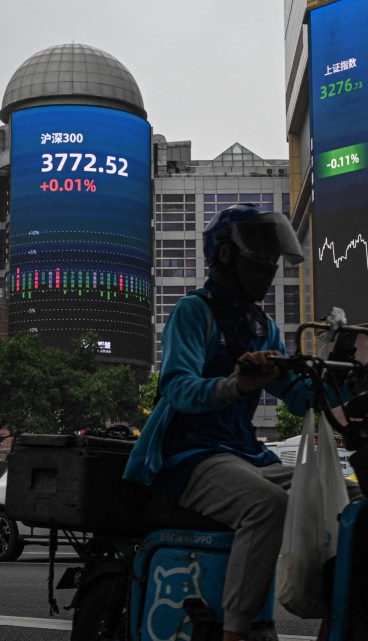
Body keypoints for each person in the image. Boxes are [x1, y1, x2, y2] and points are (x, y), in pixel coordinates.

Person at [124, 203, 315, 641]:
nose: (269, 265)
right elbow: (177, 389)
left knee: (334, 497)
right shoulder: (194, 311)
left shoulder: (262, 326)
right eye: (261, 254)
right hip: (189, 454)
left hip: (242, 453)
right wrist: (236, 385)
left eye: (273, 257)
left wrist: (348, 375)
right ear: (226, 255)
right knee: (268, 506)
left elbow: (300, 395)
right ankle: (236, 631)